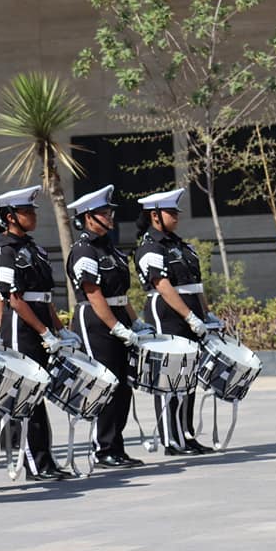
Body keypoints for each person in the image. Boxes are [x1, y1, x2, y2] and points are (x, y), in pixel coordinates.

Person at [0, 185, 81, 481]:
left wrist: (58, 329)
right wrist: (44, 332)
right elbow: (13, 299)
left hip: (39, 324)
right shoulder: (5, 250)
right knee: (27, 398)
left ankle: (45, 460)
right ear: (10, 217)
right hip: (21, 329)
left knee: (38, 395)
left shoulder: (34, 248)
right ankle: (34, 464)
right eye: (26, 211)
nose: (32, 216)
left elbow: (44, 297)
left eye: (32, 211)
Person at [66, 185, 151, 468]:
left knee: (124, 386)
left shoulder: (109, 249)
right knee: (106, 385)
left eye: (110, 211)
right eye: (104, 212)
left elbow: (120, 293)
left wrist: (134, 320)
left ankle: (116, 445)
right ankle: (101, 449)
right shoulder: (83, 250)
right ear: (88, 217)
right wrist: (115, 326)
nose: (110, 216)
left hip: (117, 318)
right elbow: (93, 293)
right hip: (96, 322)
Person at [133, 188, 214, 456]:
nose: (176, 216)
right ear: (155, 216)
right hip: (167, 312)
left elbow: (195, 285)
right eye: (170, 212)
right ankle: (172, 440)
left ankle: (186, 434)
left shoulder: (181, 245)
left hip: (189, 311)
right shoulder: (150, 247)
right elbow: (162, 285)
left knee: (188, 378)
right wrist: (188, 316)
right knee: (171, 377)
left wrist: (206, 314)